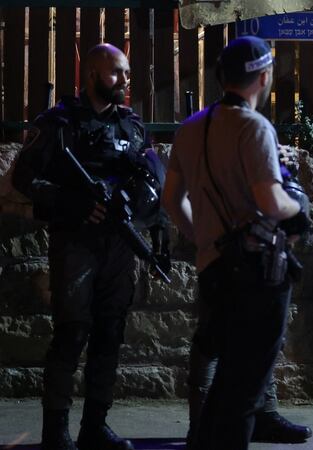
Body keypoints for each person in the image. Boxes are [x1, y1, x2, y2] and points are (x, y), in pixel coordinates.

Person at [12, 43, 168, 450]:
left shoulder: (132, 127)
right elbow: (24, 179)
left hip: (119, 246)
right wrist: (72, 202)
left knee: (110, 334)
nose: (125, 80)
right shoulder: (58, 124)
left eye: (127, 73)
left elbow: (152, 183)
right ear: (94, 74)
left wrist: (156, 229)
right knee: (72, 333)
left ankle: (95, 426)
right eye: (117, 72)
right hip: (76, 243)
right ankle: (56, 432)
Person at [162, 36, 310, 450]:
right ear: (263, 78)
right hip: (258, 273)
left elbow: (172, 200)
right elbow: (270, 201)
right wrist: (297, 204)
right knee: (244, 390)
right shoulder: (254, 126)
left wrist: (204, 240)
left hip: (213, 267)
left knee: (225, 380)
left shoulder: (190, 128)